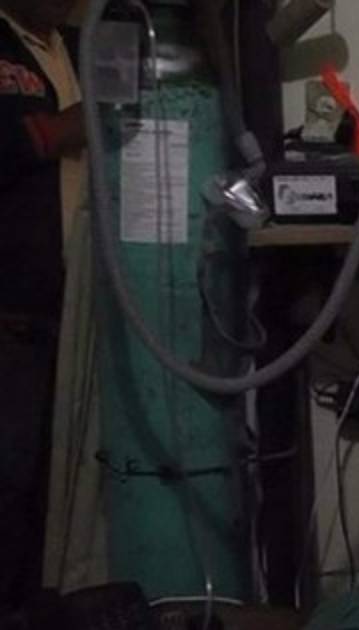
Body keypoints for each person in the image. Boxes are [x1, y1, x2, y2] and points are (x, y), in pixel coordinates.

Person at [0, 0, 84, 613]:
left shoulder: (76, 47)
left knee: (51, 502)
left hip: (74, 314)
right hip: (11, 317)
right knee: (8, 484)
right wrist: (69, 127)